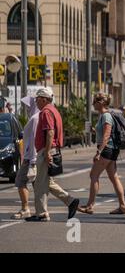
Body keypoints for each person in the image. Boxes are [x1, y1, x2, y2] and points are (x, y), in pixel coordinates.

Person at [25, 88, 79, 222]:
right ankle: (70, 201)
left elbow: (50, 132)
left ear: (44, 99)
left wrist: (47, 152)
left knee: (39, 184)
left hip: (46, 149)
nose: (36, 102)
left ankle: (42, 213)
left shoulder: (46, 112)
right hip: (51, 149)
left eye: (37, 99)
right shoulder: (53, 110)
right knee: (47, 182)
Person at [78, 93, 125, 215]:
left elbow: (107, 135)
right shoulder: (103, 116)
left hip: (107, 149)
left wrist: (99, 152)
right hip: (111, 149)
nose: (93, 104)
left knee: (93, 175)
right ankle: (122, 206)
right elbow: (104, 133)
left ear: (100, 103)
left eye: (95, 101)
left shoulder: (106, 116)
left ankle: (90, 206)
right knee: (113, 177)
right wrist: (94, 131)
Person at [11, 96, 40, 219]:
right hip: (32, 156)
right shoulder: (36, 117)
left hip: (31, 157)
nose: (26, 108)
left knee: (20, 181)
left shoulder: (34, 118)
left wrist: (32, 159)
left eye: (28, 106)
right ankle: (40, 210)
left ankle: (25, 208)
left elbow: (33, 140)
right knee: (37, 184)